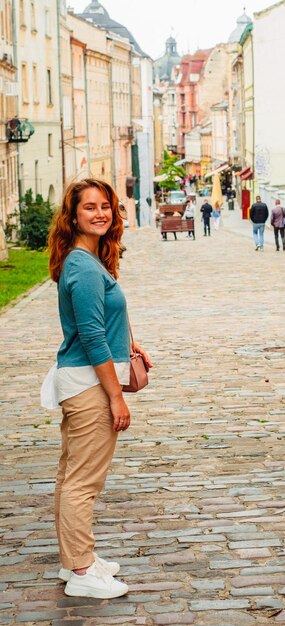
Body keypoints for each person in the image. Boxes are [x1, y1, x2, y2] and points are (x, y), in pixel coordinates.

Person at [47, 178, 152, 599]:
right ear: (73, 216)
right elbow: (90, 336)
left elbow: (98, 321)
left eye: (105, 206)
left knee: (70, 474)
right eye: (89, 207)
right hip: (90, 386)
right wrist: (115, 396)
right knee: (83, 483)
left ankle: (73, 558)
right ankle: (83, 571)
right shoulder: (83, 267)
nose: (100, 213)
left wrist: (128, 340)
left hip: (78, 381)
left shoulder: (86, 261)